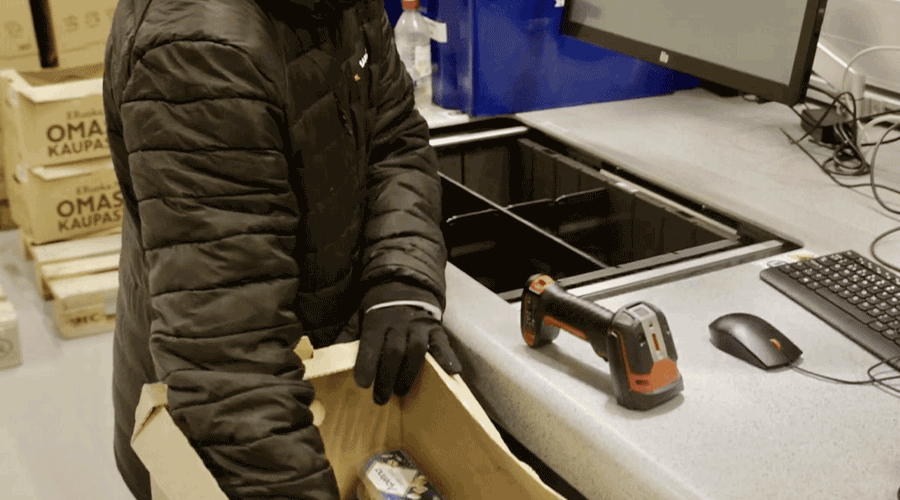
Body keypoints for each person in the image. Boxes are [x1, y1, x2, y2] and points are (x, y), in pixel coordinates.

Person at [102, 0, 461, 498]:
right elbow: (228, 368)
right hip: (231, 433)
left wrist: (400, 274)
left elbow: (393, 134)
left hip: (308, 378)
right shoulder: (199, 48)